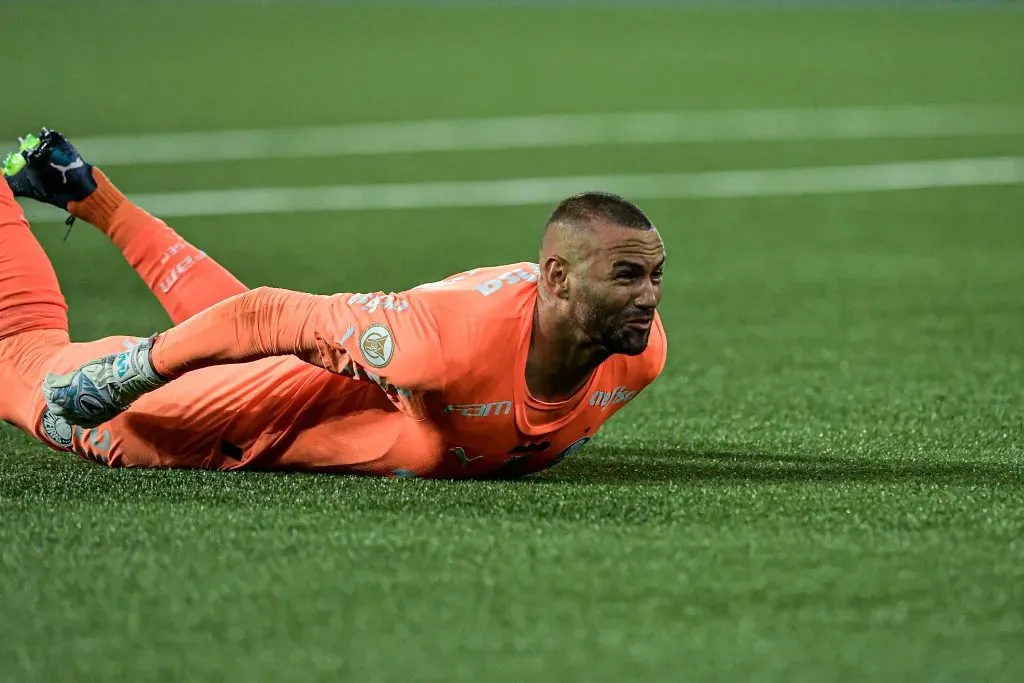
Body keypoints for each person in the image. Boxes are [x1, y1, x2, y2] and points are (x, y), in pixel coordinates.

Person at [1, 128, 667, 479]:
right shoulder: (443, 345)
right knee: (19, 354)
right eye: (628, 277)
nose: (649, 297)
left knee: (270, 356)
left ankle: (86, 192)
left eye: (656, 276)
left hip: (296, 384)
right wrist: (131, 373)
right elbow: (266, 315)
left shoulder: (639, 354)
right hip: (225, 430)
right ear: (557, 279)